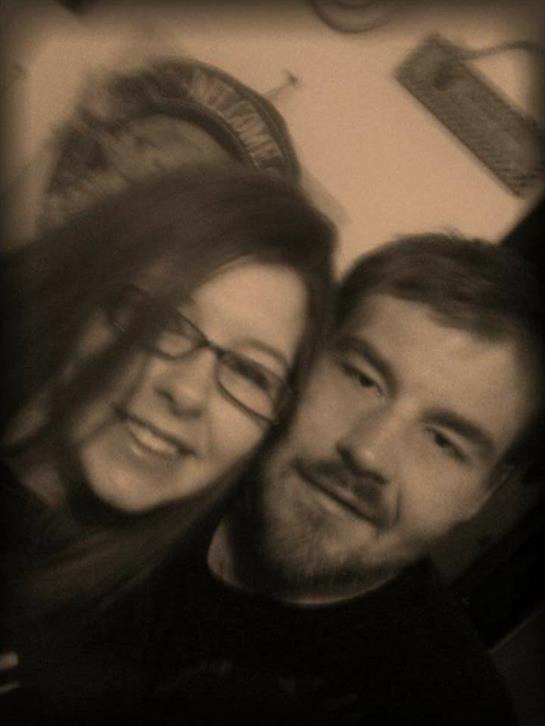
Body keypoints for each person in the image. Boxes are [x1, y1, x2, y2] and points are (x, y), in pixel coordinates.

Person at [147, 233, 545, 724]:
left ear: (481, 494)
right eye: (363, 379)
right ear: (305, 360)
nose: (369, 451)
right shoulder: (144, 473)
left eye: (443, 441)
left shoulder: (449, 707)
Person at [0, 163, 335, 716]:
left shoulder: (106, 673)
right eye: (163, 320)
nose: (187, 392)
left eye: (250, 372)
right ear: (82, 292)